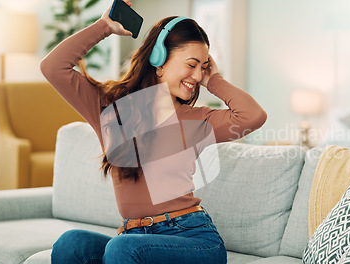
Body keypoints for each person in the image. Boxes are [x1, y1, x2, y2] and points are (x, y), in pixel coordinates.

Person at [41, 1, 266, 263]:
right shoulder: (112, 110)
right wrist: (104, 27)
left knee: (122, 249)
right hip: (134, 237)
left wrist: (214, 79)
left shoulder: (198, 120)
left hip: (193, 239)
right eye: (191, 64)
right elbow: (53, 67)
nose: (197, 76)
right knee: (72, 244)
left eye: (203, 67)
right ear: (158, 61)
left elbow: (253, 116)